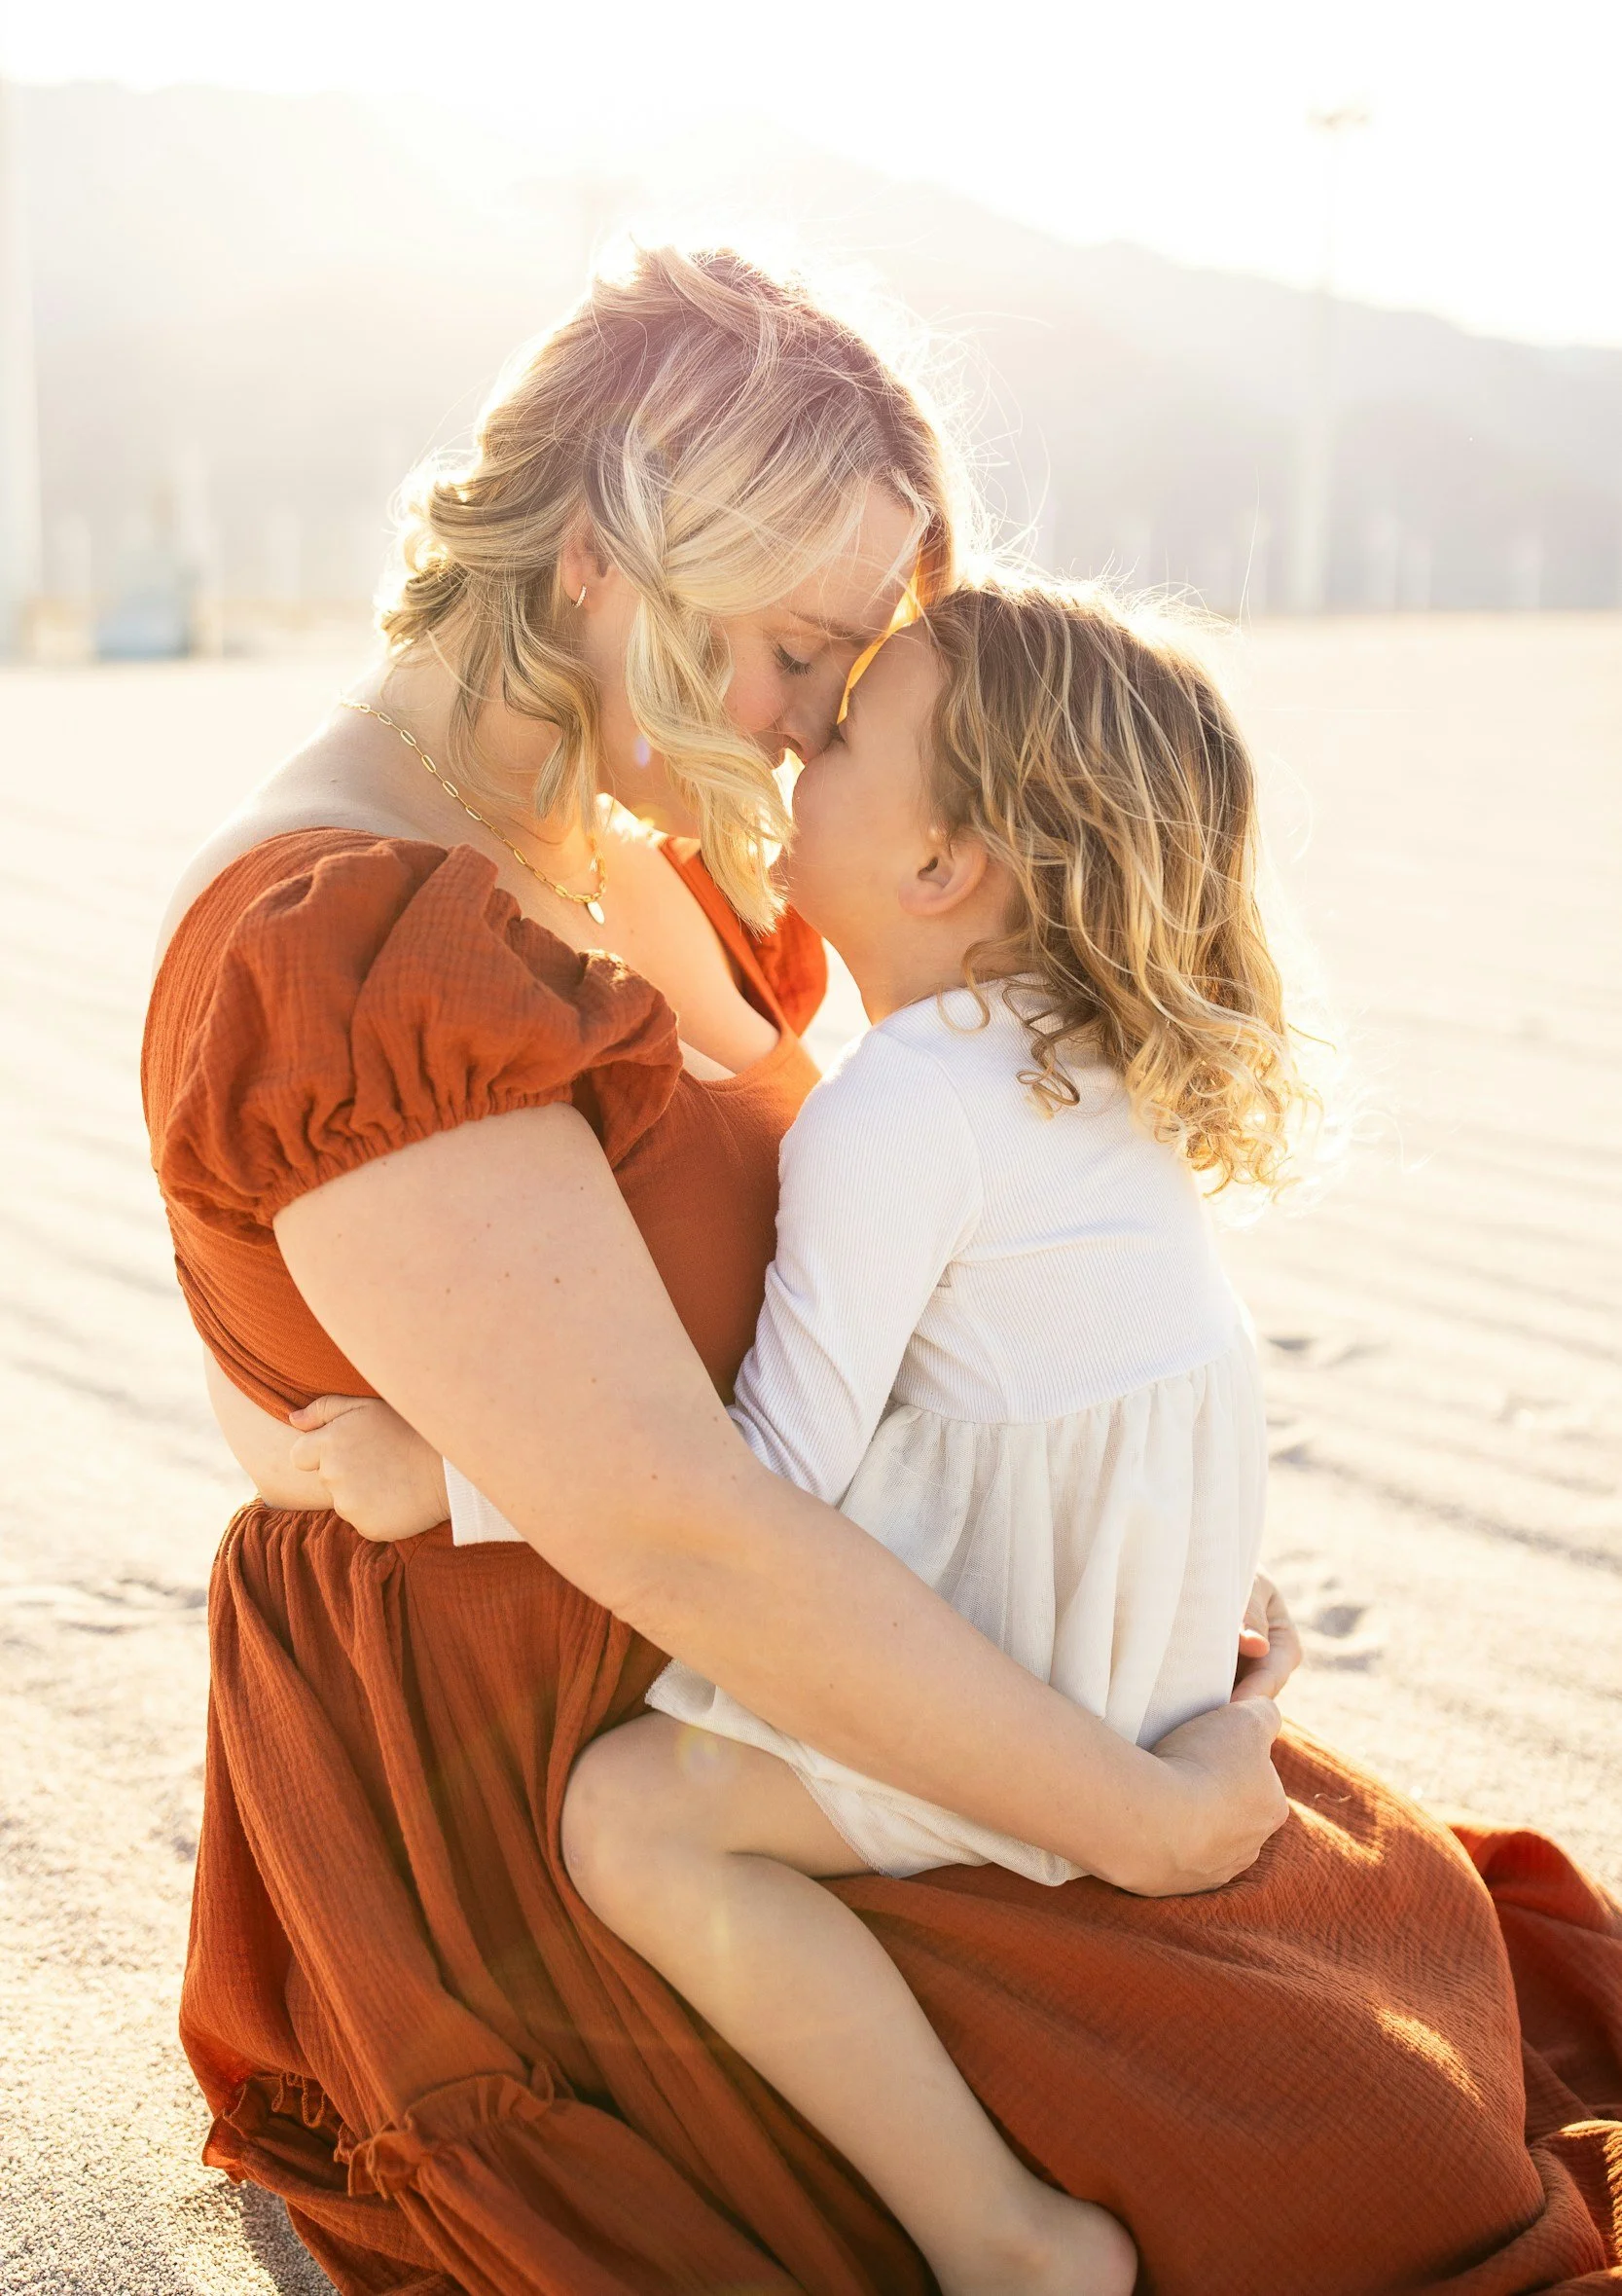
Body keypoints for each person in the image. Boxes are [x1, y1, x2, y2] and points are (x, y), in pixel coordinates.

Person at [149, 244, 1622, 2296]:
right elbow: (669, 1512)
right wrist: (1122, 1811)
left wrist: (1127, 1549)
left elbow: (921, 1239)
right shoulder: (344, 939)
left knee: (1394, 1982)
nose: (805, 724)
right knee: (1311, 2139)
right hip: (555, 1769)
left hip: (816, 1614)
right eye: (788, 651)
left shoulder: (638, 833)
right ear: (596, 562)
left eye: (844, 679)